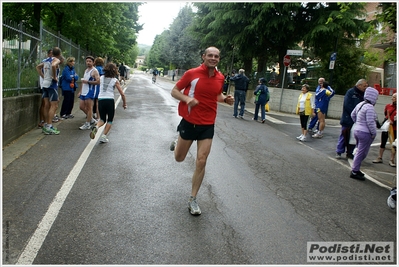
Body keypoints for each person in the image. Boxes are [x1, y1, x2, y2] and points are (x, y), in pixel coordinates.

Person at [169, 46, 234, 215]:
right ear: (204, 56)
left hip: (207, 124)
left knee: (202, 160)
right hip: (190, 122)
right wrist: (187, 98)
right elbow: (174, 91)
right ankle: (178, 142)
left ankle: (193, 199)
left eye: (216, 56)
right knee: (179, 158)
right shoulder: (192, 73)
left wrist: (226, 99)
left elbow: (217, 95)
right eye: (210, 55)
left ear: (219, 59)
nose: (213, 58)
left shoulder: (220, 77)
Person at [90, 63, 127, 143]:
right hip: (109, 100)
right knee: (110, 120)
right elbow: (122, 94)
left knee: (102, 119)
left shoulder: (101, 78)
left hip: (101, 99)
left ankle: (96, 127)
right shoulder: (115, 80)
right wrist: (124, 103)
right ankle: (104, 137)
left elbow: (97, 84)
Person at [350, 87, 379, 180]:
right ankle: (355, 170)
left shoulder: (360, 104)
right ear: (373, 97)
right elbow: (370, 122)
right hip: (365, 133)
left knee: (359, 150)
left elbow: (352, 114)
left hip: (357, 130)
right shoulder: (370, 107)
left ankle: (356, 168)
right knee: (362, 152)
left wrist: (357, 123)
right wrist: (374, 133)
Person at [335, 79, 368, 159]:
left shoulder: (364, 95)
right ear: (359, 85)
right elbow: (347, 105)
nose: (365, 88)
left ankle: (350, 152)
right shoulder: (351, 92)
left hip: (357, 119)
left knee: (353, 137)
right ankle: (339, 151)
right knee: (344, 134)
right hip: (348, 118)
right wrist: (356, 113)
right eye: (364, 86)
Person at [35, 47, 62, 135]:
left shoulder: (46, 60)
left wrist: (43, 76)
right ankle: (49, 125)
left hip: (45, 84)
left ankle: (46, 124)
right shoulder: (56, 60)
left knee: (46, 105)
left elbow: (38, 67)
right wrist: (54, 76)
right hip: (52, 84)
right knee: (54, 105)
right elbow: (54, 65)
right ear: (59, 54)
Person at [372, 93, 397, 166]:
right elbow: (385, 115)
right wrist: (388, 119)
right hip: (387, 127)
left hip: (395, 128)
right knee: (383, 142)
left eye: (395, 97)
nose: (393, 98)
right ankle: (380, 157)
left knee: (394, 144)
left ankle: (392, 159)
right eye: (393, 97)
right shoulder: (388, 106)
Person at [78, 56, 100, 130]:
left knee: (89, 107)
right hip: (84, 91)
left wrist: (88, 82)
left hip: (90, 91)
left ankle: (87, 124)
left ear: (93, 62)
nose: (88, 63)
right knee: (81, 106)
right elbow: (83, 81)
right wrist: (80, 91)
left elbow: (98, 81)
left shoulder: (95, 71)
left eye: (90, 61)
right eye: (87, 61)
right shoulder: (86, 70)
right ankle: (91, 119)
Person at [38, 49, 53, 128]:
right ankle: (43, 121)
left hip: (47, 83)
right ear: (48, 54)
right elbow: (38, 68)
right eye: (51, 53)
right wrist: (44, 77)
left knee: (48, 103)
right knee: (44, 103)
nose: (52, 55)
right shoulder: (45, 61)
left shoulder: (52, 61)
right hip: (44, 84)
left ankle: (46, 120)